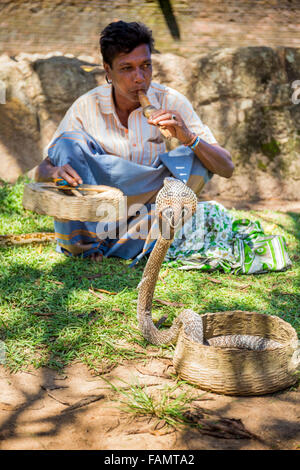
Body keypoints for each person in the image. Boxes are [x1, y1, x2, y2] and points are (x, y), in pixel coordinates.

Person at [35, 21, 234, 262]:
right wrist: (55, 171)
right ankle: (86, 244)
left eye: (145, 66)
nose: (139, 78)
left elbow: (226, 167)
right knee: (68, 143)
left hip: (144, 211)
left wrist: (188, 137)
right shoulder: (86, 106)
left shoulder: (169, 100)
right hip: (99, 210)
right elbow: (42, 171)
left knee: (199, 157)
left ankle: (119, 248)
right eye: (126, 68)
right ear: (107, 71)